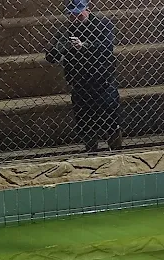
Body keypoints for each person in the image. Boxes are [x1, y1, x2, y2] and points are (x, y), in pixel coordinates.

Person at [45, 0, 122, 153]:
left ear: (87, 10)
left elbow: (106, 47)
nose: (75, 19)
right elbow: (51, 57)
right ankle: (91, 153)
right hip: (79, 84)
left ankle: (117, 151)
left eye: (79, 15)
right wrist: (62, 47)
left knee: (111, 121)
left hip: (102, 82)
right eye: (72, 16)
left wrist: (84, 46)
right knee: (85, 124)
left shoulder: (102, 24)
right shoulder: (65, 31)